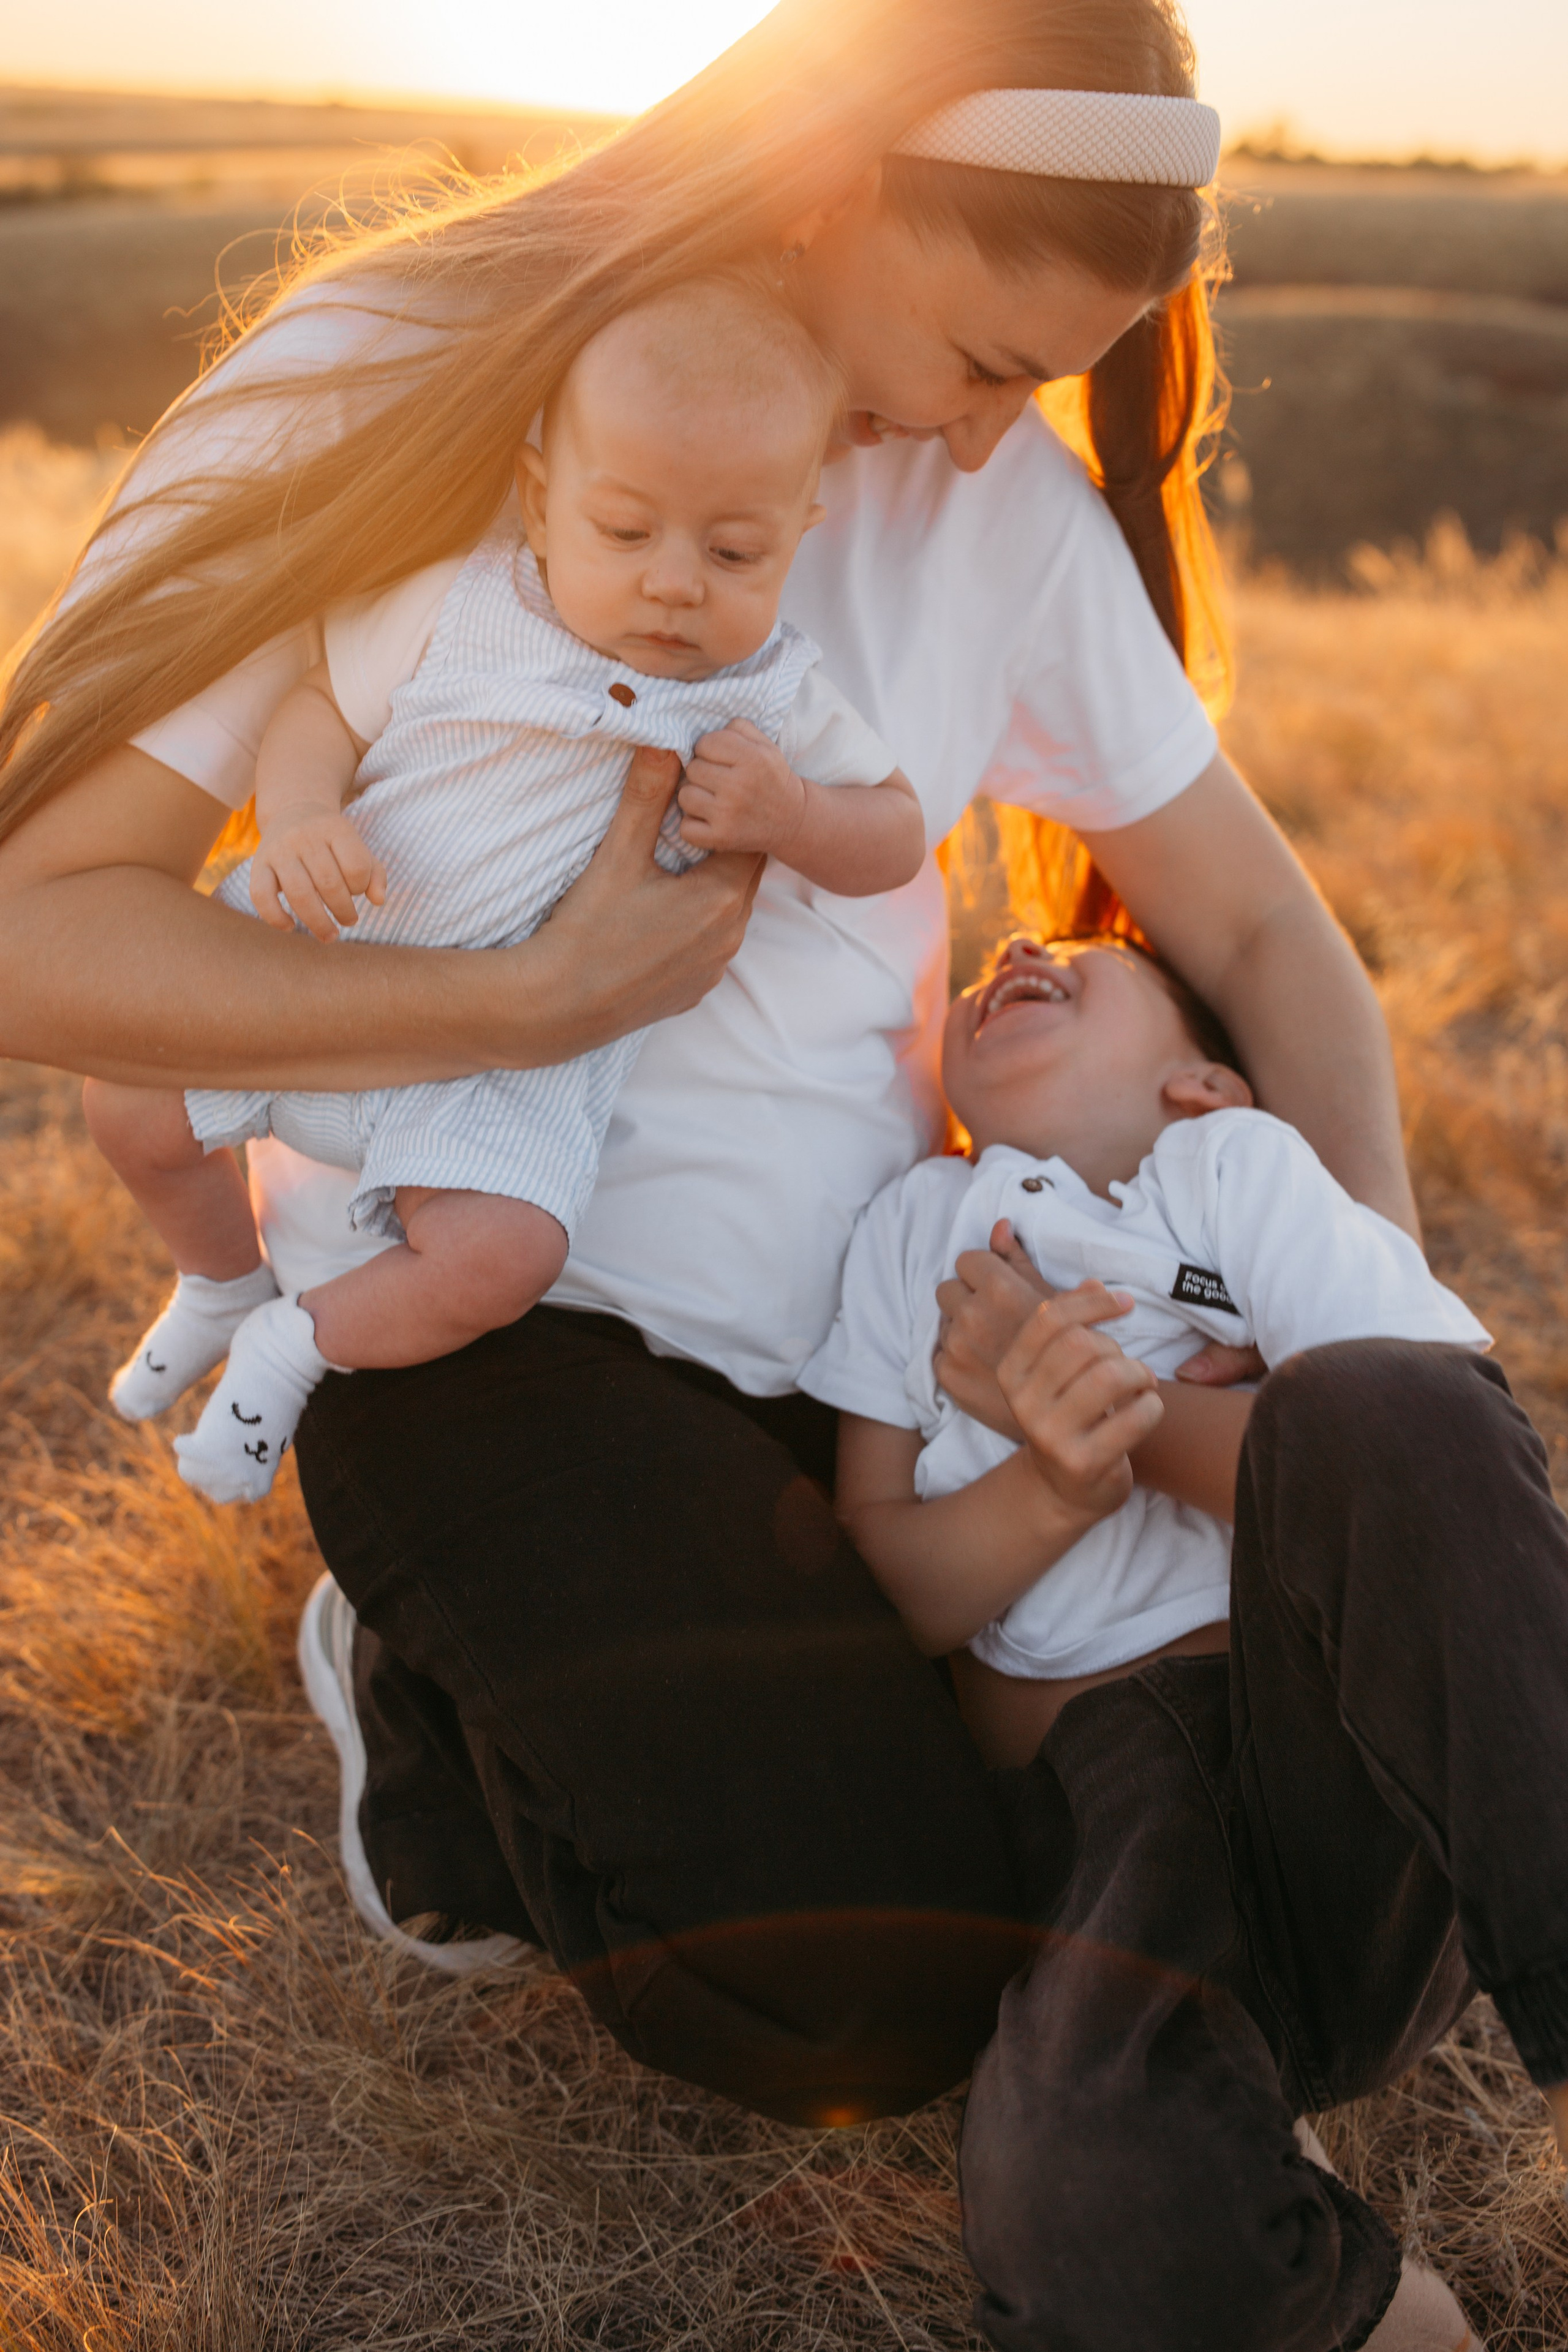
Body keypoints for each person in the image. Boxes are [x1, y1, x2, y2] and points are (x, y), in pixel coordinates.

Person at [3, 2, 1564, 2343]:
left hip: (834, 1345)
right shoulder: (386, 371)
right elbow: (38, 927)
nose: (983, 425)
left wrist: (1329, 1364)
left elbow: (1258, 931)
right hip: (488, 1310)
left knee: (996, 1870)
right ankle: (437, 1721)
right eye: (975, 348)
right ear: (839, 177)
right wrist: (529, 1003)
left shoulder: (981, 500)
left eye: (1046, 382)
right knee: (857, 2000)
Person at [81, 273, 920, 1503]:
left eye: (733, 550)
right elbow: (317, 707)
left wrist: (795, 815)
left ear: (800, 531)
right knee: (127, 1100)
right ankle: (220, 1280)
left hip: (505, 1087)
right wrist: (304, 812)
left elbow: (893, 833)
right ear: (539, 500)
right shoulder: (460, 603)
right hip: (321, 980)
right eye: (624, 533)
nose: (675, 583)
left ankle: (295, 1344)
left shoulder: (778, 698)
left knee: (501, 1259)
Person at [802, 929, 1489, 1771]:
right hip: (1095, 1784)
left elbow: (1411, 1452)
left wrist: (1081, 1391)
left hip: (1305, 1705)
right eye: (987, 967)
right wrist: (1054, 1489)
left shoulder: (1230, 1168)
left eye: (1072, 947)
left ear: (1204, 1086)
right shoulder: (911, 1224)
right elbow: (885, 1583)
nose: (1015, 947)